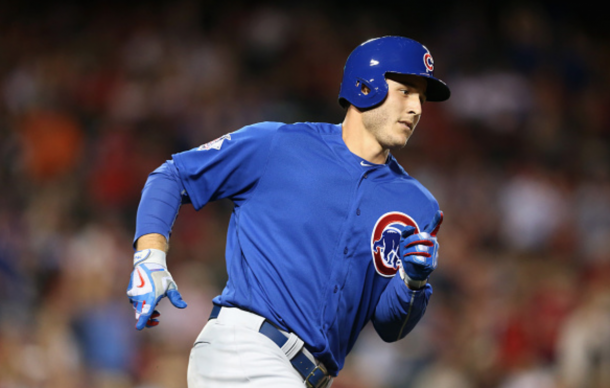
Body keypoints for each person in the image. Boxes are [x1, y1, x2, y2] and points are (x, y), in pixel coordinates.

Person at [126, 35, 451, 388]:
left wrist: (412, 283)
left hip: (309, 377)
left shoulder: (417, 206)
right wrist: (150, 257)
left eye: (421, 98)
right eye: (406, 90)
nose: (417, 107)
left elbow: (390, 327)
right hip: (245, 349)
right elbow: (172, 176)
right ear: (364, 85)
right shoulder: (279, 144)